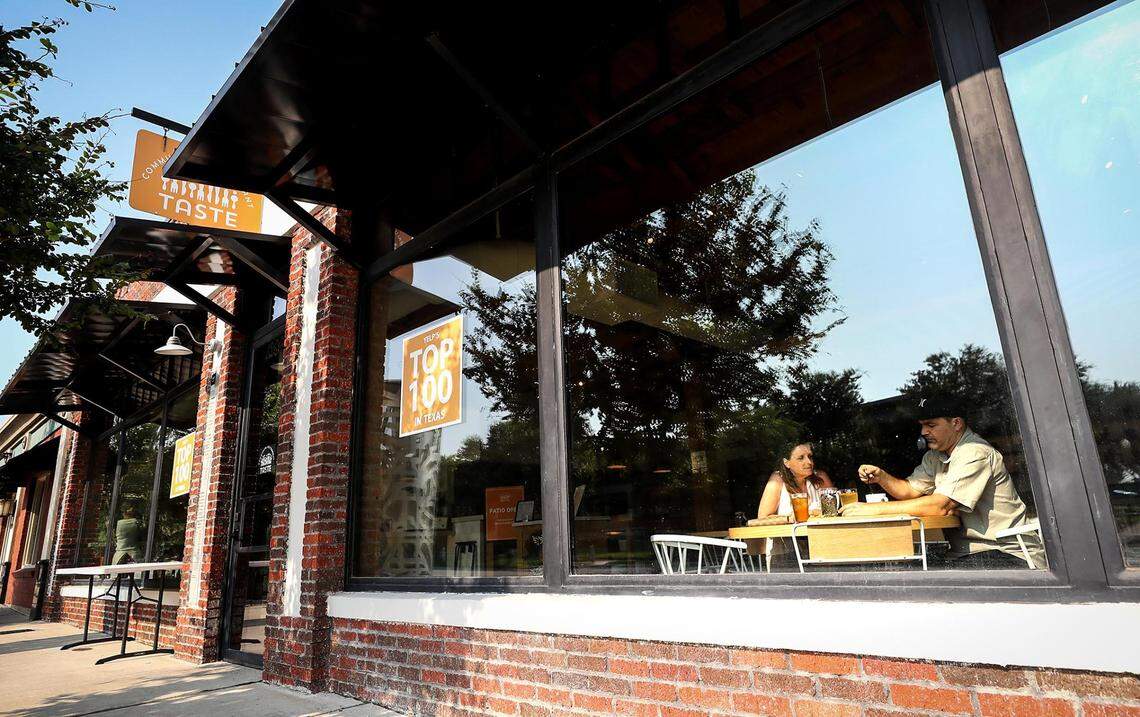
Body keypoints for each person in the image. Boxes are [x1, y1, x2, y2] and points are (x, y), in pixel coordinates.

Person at [840, 395, 1044, 568]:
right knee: (906, 570)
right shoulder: (935, 455)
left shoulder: (974, 452)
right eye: (922, 426)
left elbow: (940, 507)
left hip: (1008, 553)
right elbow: (910, 490)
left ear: (956, 423)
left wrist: (868, 510)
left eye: (931, 425)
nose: (923, 432)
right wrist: (881, 477)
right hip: (967, 554)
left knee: (914, 579)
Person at [757, 442, 833, 518]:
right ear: (787, 463)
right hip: (787, 530)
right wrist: (791, 518)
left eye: (810, 457)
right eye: (801, 458)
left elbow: (832, 511)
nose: (809, 462)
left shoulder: (820, 477)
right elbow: (763, 517)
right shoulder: (778, 480)